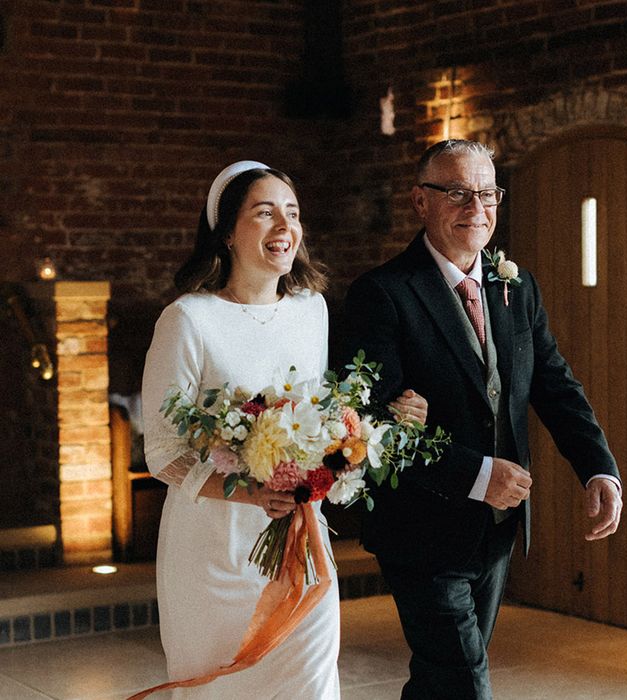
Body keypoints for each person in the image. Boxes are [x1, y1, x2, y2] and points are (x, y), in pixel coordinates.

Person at [343, 139, 623, 700]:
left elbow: (555, 384)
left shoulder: (515, 286)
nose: (477, 208)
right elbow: (373, 424)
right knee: (467, 683)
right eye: (457, 193)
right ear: (420, 201)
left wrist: (599, 468)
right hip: (419, 530)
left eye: (488, 193)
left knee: (440, 682)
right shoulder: (382, 294)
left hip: (495, 531)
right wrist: (475, 475)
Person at [141, 160, 427, 699]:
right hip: (214, 550)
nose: (284, 228)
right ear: (226, 231)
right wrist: (252, 493)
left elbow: (320, 420)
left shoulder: (311, 309)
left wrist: (374, 429)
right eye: (264, 213)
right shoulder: (188, 320)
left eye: (292, 214)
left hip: (301, 542)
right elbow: (162, 450)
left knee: (310, 686)